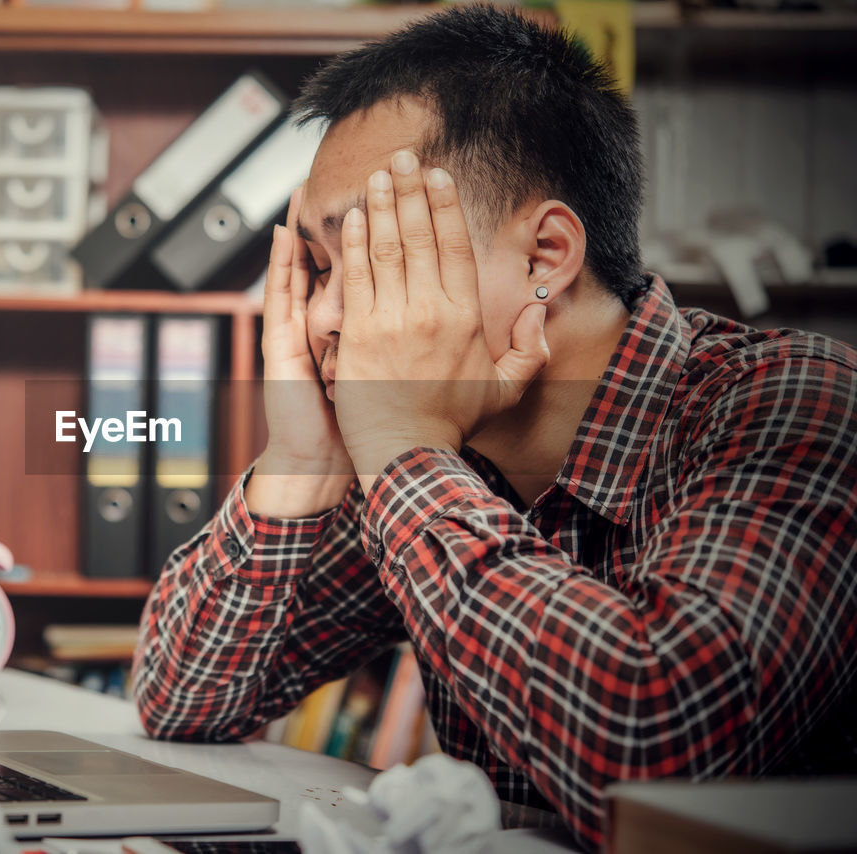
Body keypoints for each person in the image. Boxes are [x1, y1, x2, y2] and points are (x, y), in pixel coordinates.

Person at [131, 5, 857, 850]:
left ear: (544, 258)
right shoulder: (443, 451)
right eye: (317, 270)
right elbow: (181, 699)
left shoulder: (797, 402)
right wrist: (298, 460)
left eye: (373, 256)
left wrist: (405, 449)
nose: (320, 316)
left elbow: (657, 760)